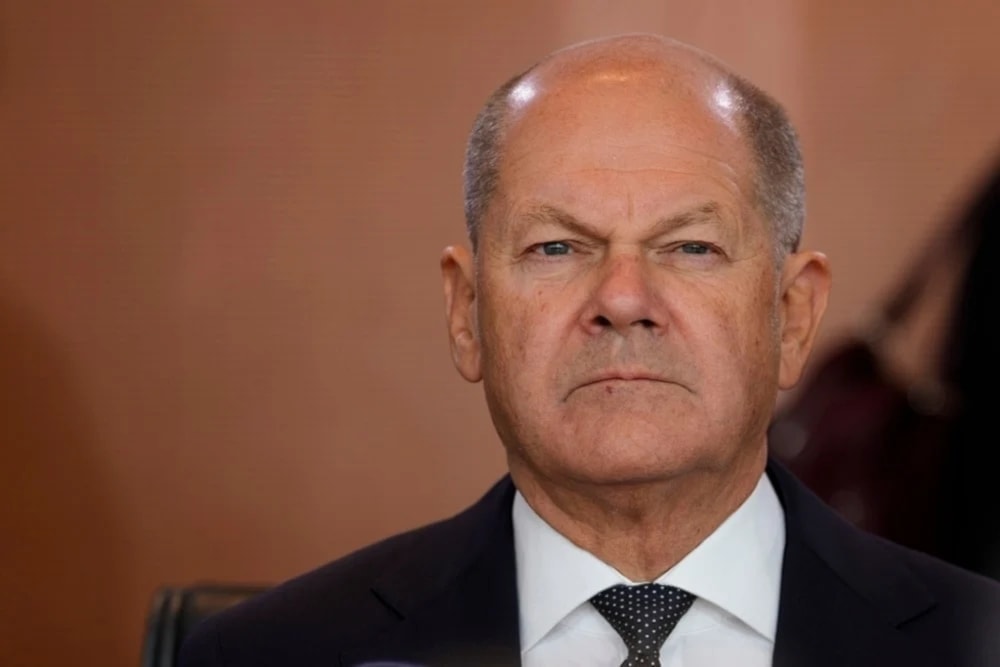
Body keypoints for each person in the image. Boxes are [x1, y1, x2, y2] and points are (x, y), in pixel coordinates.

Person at [178, 33, 1000, 667]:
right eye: (557, 248)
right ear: (467, 312)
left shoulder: (976, 642)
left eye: (690, 247)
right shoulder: (273, 653)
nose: (622, 300)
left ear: (792, 316)